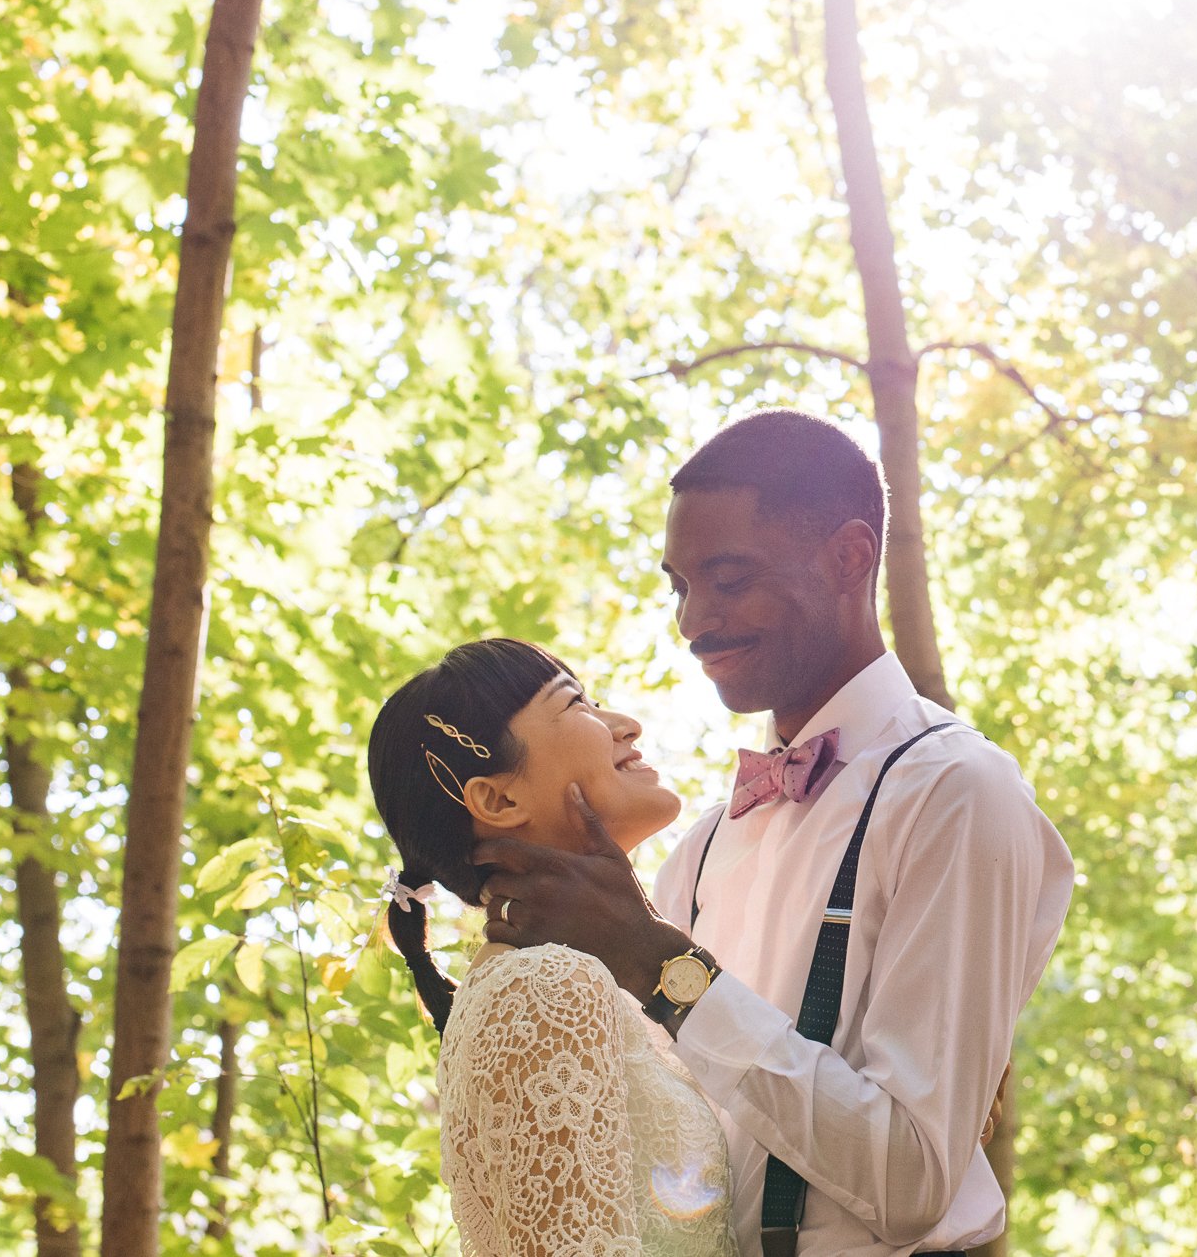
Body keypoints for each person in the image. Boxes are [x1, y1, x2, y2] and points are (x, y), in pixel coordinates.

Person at [478, 410, 1075, 1257]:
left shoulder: (954, 793)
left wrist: (663, 967)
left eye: (728, 578)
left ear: (849, 557)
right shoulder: (705, 844)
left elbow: (909, 1180)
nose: (694, 620)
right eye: (680, 585)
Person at [369, 637, 739, 1256]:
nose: (626, 724)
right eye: (578, 706)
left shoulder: (553, 984)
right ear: (498, 799)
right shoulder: (543, 988)